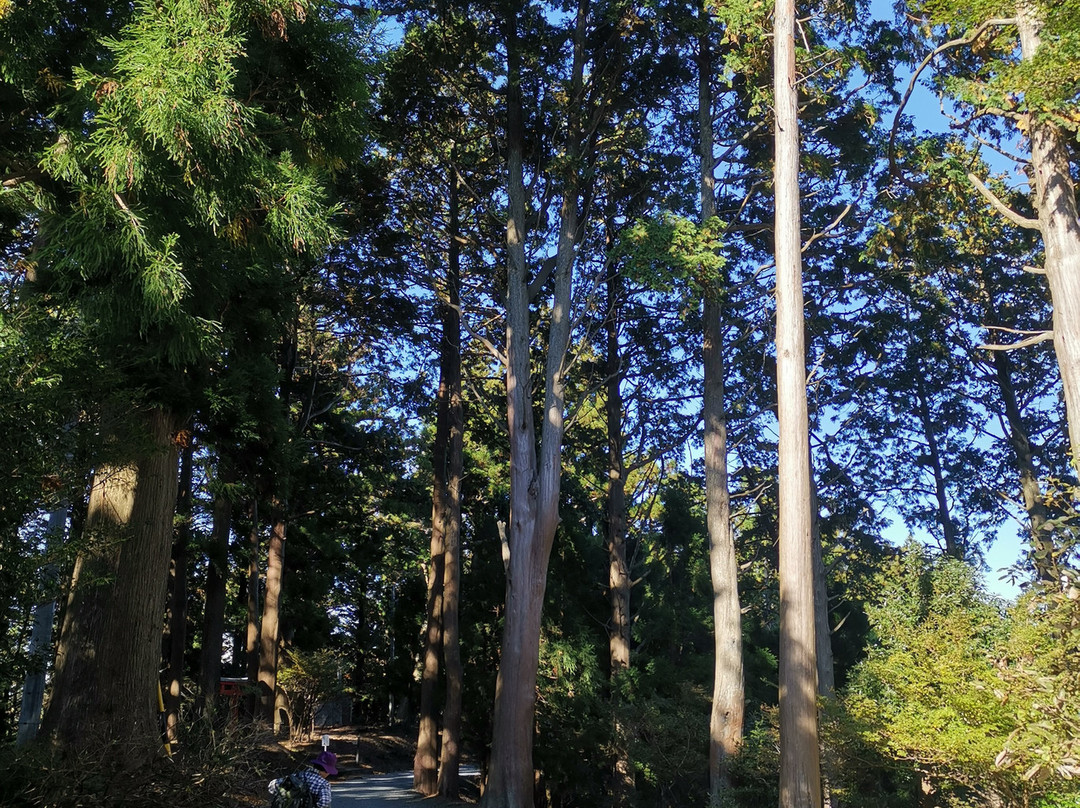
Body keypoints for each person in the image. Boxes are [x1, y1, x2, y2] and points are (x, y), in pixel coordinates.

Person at [269, 750, 337, 808]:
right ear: (326, 771)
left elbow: (272, 786)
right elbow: (324, 803)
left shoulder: (297, 776)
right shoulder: (323, 784)